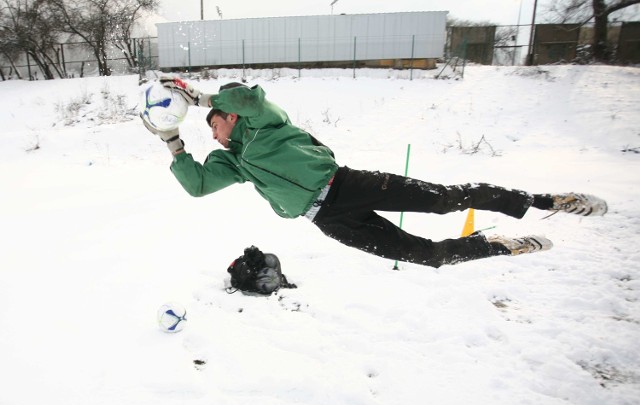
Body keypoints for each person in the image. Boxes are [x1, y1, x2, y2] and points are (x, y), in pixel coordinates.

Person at [141, 76, 608, 268]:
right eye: (211, 131)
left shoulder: (263, 122)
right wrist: (171, 140)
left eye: (216, 126)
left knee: (446, 199)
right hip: (326, 219)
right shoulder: (231, 161)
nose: (215, 136)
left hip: (348, 185)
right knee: (426, 255)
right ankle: (498, 246)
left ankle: (546, 202)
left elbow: (248, 97)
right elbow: (198, 186)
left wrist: (198, 97)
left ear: (230, 118)